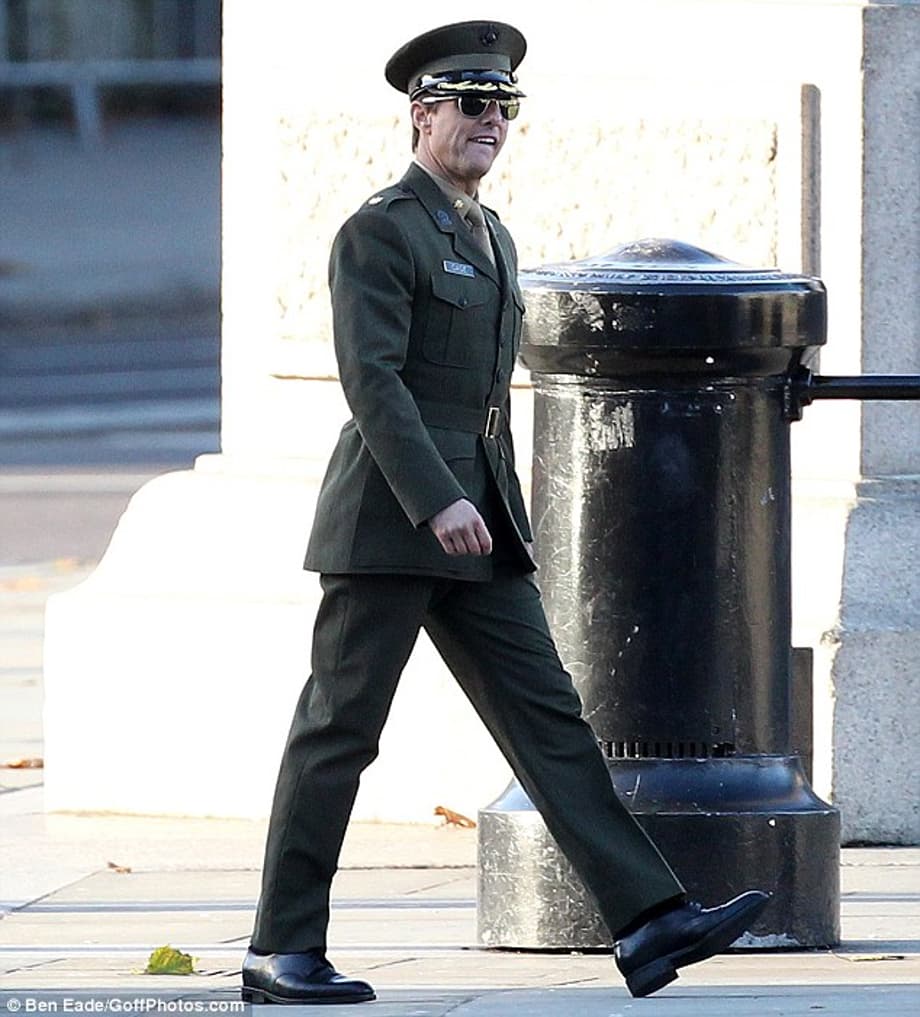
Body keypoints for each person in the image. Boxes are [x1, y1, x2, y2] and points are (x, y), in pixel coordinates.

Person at [242, 19, 769, 1005]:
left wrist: (476, 499)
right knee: (339, 731)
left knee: (549, 723)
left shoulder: (486, 232)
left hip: (479, 520)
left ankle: (649, 922)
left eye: (503, 109)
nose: (490, 123)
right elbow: (373, 381)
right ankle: (281, 948)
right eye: (471, 107)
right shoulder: (380, 227)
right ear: (421, 114)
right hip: (392, 518)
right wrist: (436, 496)